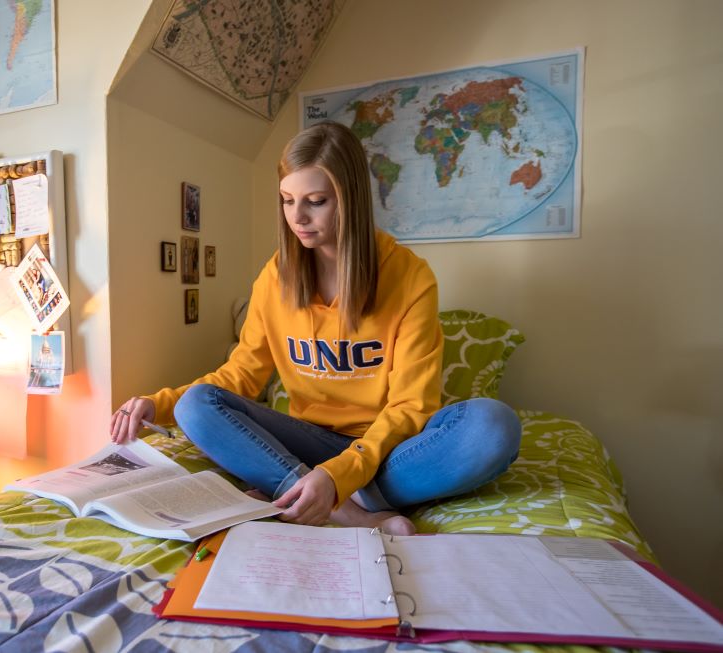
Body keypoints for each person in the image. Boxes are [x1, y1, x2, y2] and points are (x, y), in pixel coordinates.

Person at [110, 122, 522, 536]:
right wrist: (158, 404)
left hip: (388, 450)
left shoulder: (410, 278)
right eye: (287, 201)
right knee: (194, 406)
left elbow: (411, 406)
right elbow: (242, 375)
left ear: (350, 199)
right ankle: (345, 511)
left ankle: (297, 489)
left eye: (316, 201)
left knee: (493, 426)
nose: (297, 217)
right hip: (307, 441)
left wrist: (340, 474)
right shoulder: (276, 276)